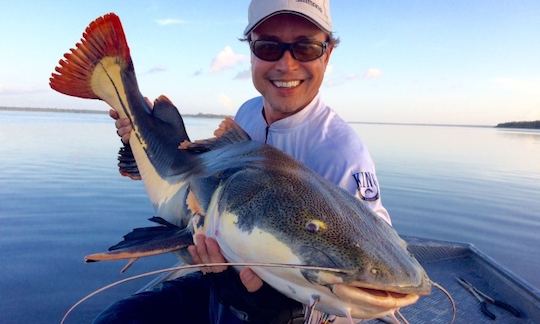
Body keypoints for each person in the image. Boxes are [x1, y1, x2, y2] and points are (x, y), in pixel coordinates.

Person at [98, 0, 391, 323]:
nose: (286, 64)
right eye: (268, 47)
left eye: (305, 48)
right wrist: (143, 137)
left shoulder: (342, 153)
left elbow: (369, 271)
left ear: (328, 53)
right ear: (250, 51)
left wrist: (280, 309)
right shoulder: (249, 112)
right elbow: (199, 171)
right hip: (221, 286)